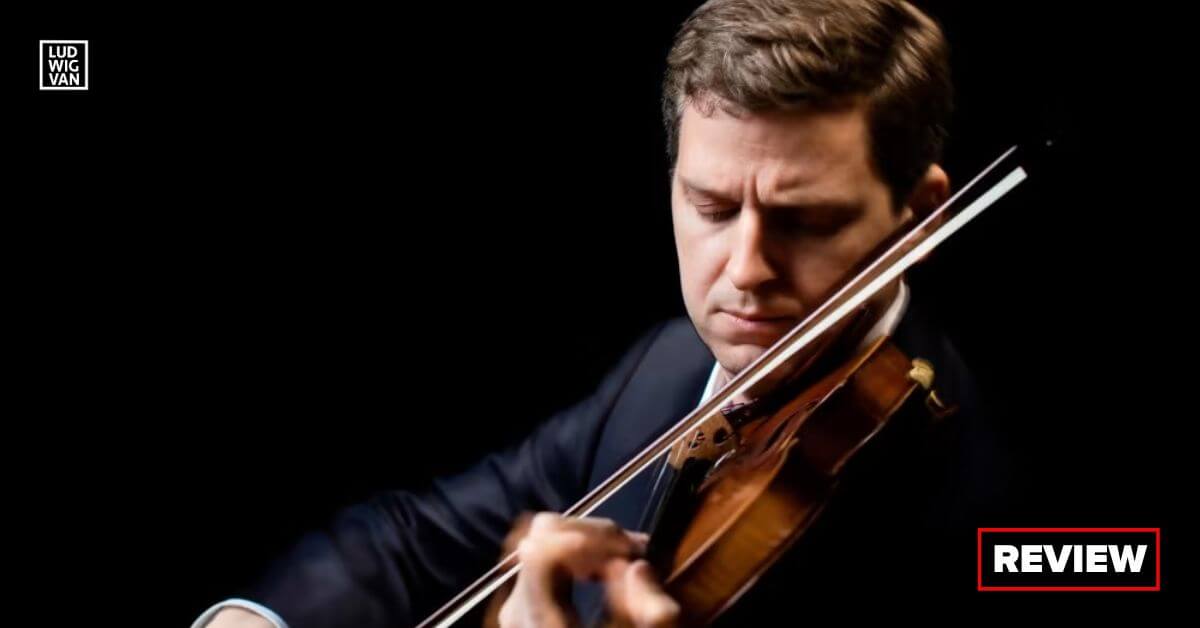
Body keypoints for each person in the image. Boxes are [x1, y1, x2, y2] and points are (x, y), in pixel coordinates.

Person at [195, 1, 1014, 626]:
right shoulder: (668, 367)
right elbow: (415, 537)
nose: (745, 269)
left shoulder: (981, 496)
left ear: (922, 216)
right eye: (712, 207)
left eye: (807, 221)